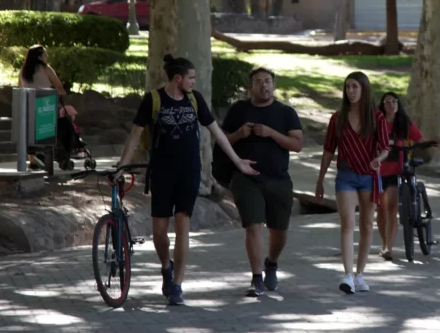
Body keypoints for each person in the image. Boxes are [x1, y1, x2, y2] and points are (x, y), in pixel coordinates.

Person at [116, 55, 258, 306]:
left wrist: (238, 161)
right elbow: (135, 135)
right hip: (161, 173)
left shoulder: (195, 100)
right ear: (178, 79)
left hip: (189, 172)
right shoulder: (153, 100)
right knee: (159, 232)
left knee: (183, 223)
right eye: (191, 78)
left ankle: (178, 286)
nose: (194, 82)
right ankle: (166, 266)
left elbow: (217, 133)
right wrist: (121, 166)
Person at [222, 67, 303, 297]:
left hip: (278, 178)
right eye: (258, 82)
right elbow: (222, 140)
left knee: (279, 231)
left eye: (267, 81)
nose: (263, 86)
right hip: (246, 178)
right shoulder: (239, 110)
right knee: (253, 226)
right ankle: (256, 278)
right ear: (250, 87)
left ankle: (272, 263)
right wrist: (239, 134)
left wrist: (271, 133)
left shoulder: (285, 112)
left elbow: (297, 144)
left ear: (274, 85)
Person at [315, 72, 390, 294]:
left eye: (355, 87)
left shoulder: (377, 118)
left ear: (364, 89)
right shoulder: (337, 118)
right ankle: (347, 275)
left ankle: (360, 275)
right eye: (347, 87)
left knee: (367, 225)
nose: (351, 91)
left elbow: (386, 147)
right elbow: (329, 150)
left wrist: (378, 159)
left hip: (369, 175)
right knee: (348, 222)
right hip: (346, 175)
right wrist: (320, 180)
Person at [376, 92, 440, 261]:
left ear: (398, 105)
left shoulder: (405, 124)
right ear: (383, 106)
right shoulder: (377, 124)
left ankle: (388, 248)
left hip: (397, 171)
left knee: (392, 208)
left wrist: (435, 142)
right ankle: (384, 243)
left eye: (394, 101)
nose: (391, 105)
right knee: (381, 211)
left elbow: (421, 141)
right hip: (378, 171)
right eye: (387, 102)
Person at [18, 45, 67, 168]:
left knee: (30, 127)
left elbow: (20, 89)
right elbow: (59, 86)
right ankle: (59, 154)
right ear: (39, 57)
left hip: (27, 112)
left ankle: (32, 160)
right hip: (45, 112)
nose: (47, 57)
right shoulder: (46, 69)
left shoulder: (23, 71)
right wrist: (63, 99)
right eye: (45, 54)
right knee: (63, 122)